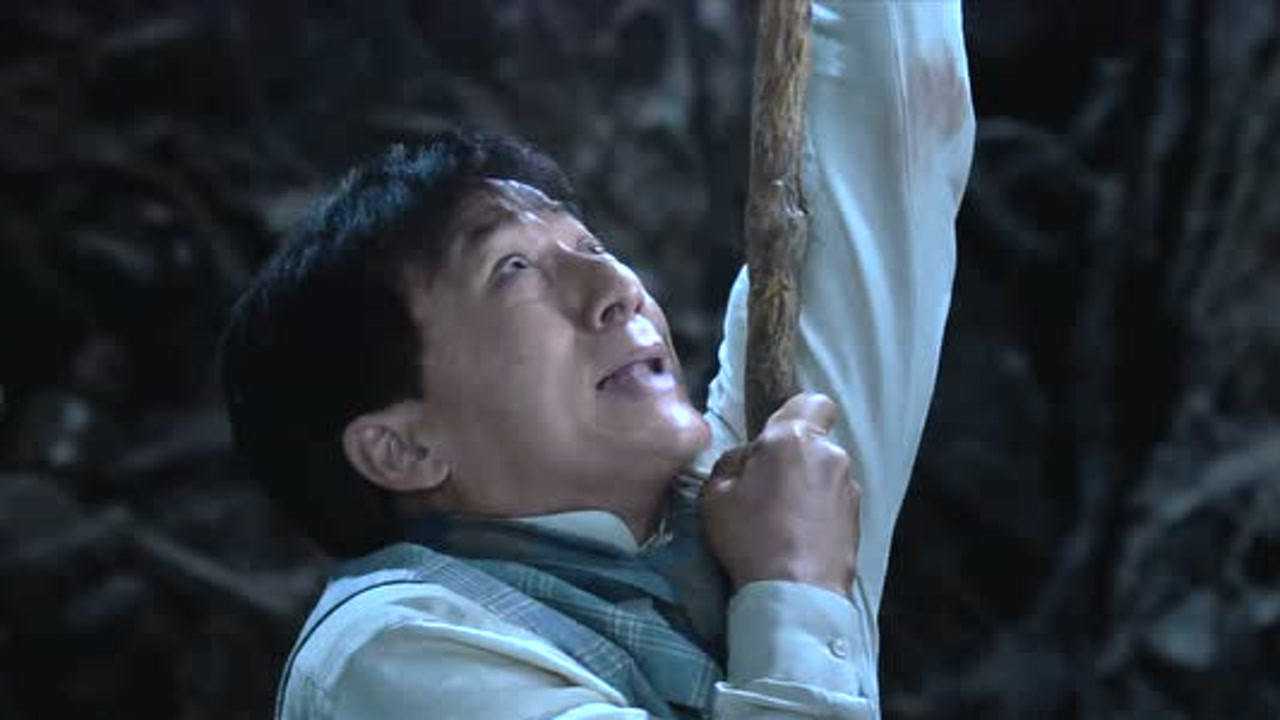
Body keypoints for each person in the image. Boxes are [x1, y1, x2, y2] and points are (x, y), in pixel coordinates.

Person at [220, 1, 974, 717]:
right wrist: (795, 588)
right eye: (513, 269)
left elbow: (885, 138)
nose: (617, 288)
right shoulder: (391, 655)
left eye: (589, 245)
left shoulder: (751, 498)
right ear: (404, 448)